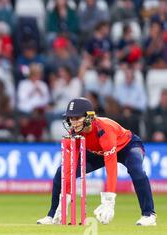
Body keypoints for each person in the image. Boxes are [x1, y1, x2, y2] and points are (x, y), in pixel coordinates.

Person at [37, 97, 157, 226]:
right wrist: (64, 202)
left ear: (89, 117)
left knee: (136, 170)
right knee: (61, 172)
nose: (73, 123)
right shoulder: (74, 134)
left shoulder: (103, 130)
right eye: (71, 119)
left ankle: (148, 215)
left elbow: (111, 167)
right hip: (96, 152)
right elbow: (69, 169)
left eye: (77, 118)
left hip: (126, 146)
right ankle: (53, 214)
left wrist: (109, 201)